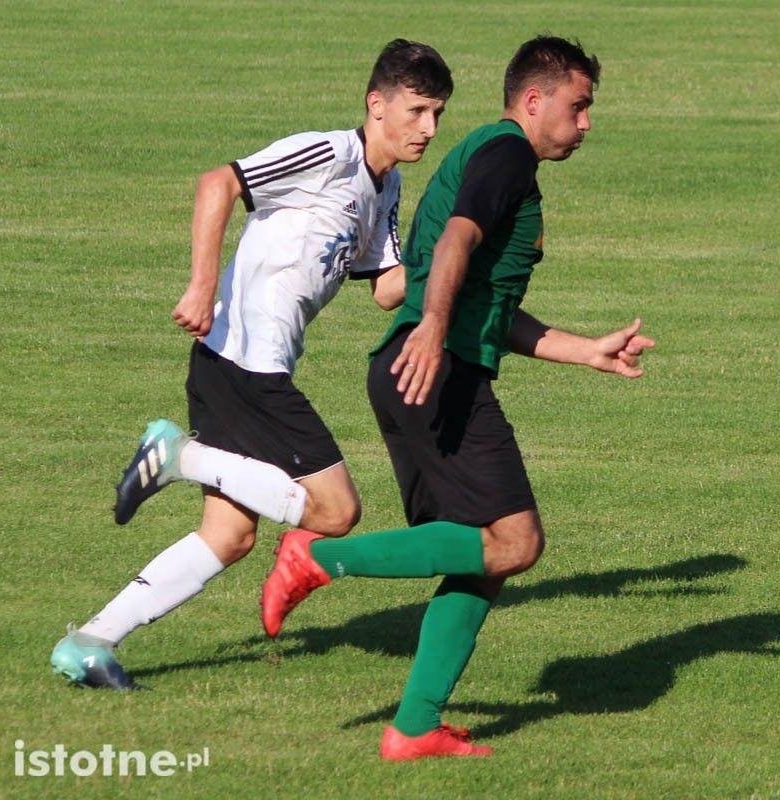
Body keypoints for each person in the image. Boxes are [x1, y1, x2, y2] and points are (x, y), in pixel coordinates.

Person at [260, 35, 655, 761]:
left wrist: (585, 350)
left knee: (484, 561)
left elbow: (490, 307)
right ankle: (317, 558)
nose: (587, 123)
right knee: (516, 540)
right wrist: (435, 327)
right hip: (433, 373)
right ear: (535, 101)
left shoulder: (495, 157)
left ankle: (413, 727)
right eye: (580, 105)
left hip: (424, 369)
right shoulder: (506, 155)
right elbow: (456, 244)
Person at [50, 40, 453, 690]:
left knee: (230, 537)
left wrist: (461, 257)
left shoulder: (389, 185)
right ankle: (179, 458)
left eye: (437, 113)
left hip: (237, 368)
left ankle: (90, 642)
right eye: (416, 110)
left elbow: (385, 286)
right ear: (376, 105)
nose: (428, 129)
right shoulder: (328, 153)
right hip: (246, 365)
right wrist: (200, 284)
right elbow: (220, 182)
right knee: (335, 511)